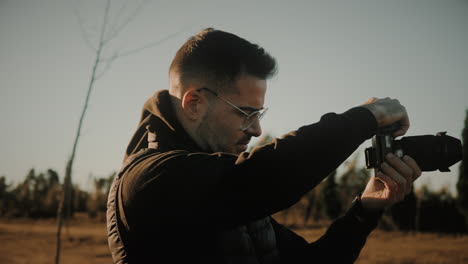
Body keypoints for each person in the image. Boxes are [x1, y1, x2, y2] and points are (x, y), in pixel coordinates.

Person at [107, 28, 422, 264]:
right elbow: (260, 177)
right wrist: (365, 119)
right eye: (246, 113)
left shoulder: (230, 191)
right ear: (195, 104)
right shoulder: (148, 180)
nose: (256, 129)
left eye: (259, 114)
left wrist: (366, 210)